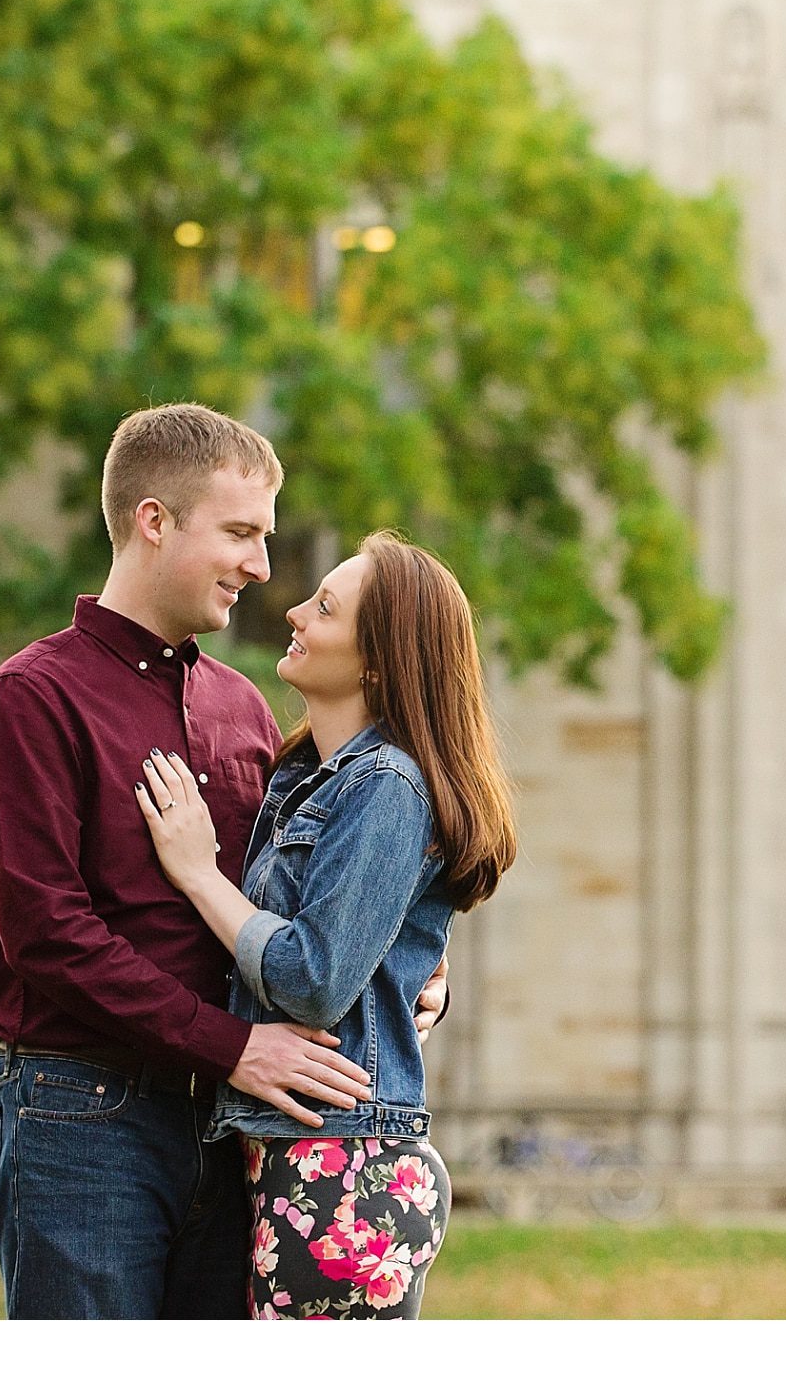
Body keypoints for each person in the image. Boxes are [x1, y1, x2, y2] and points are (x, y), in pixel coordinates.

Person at [0, 403, 448, 1319]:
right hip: (83, 1115)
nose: (262, 568)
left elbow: (315, 896)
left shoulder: (246, 708)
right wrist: (236, 1047)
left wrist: (413, 975)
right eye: (240, 533)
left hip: (239, 1133)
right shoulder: (33, 698)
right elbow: (46, 937)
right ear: (154, 521)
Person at [135, 529, 516, 1319]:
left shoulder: (388, 785)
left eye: (326, 607)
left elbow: (313, 978)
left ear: (377, 659)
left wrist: (199, 873)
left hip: (343, 1173)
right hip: (296, 1161)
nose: (295, 611)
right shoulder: (308, 779)